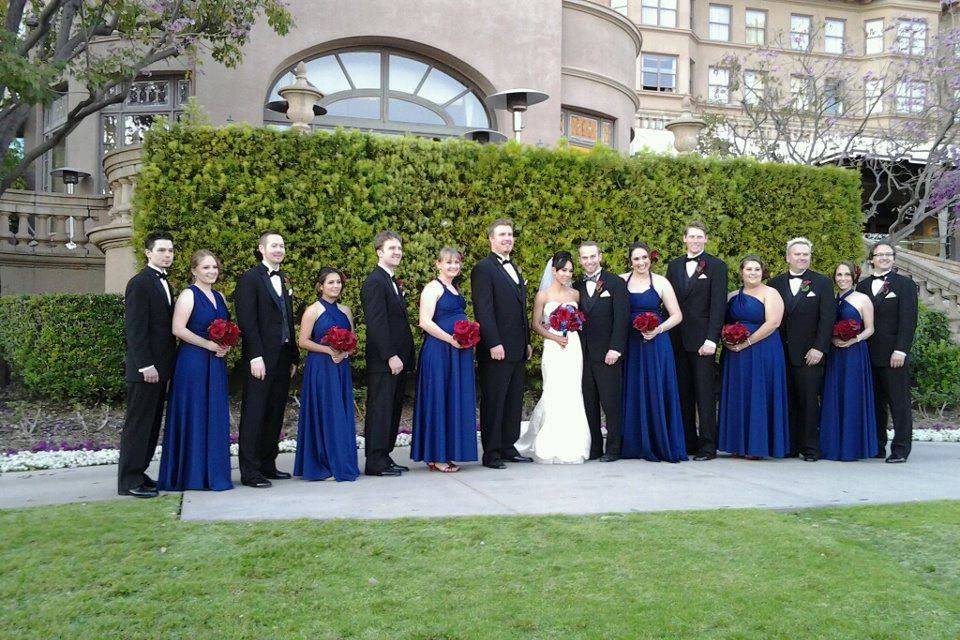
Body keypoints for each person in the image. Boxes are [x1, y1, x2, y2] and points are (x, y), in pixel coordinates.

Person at [157, 250, 233, 492]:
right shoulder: (188, 295)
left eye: (214, 267)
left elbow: (227, 328)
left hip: (215, 362)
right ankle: (191, 474)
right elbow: (178, 329)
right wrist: (208, 344)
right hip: (193, 362)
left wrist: (225, 345)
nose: (211, 272)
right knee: (195, 413)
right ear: (194, 270)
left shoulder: (220, 296)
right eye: (206, 268)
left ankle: (213, 473)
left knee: (214, 413)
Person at [235, 231, 300, 488]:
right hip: (261, 358)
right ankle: (250, 472)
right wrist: (255, 356)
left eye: (282, 246)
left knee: (275, 412)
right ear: (261, 249)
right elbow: (247, 321)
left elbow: (286, 319)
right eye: (274, 245)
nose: (279, 250)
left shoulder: (283, 279)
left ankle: (267, 464)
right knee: (255, 413)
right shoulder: (251, 279)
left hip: (283, 357)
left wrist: (293, 355)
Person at [514, 251, 591, 464]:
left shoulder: (575, 294)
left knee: (573, 390)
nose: (566, 274)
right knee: (554, 389)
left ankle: (573, 443)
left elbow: (582, 319)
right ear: (553, 271)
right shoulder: (543, 295)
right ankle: (549, 442)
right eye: (563, 270)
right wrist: (555, 337)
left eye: (570, 271)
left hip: (573, 346)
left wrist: (574, 325)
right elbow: (536, 324)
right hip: (554, 346)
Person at [470, 218, 534, 469]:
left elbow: (521, 310)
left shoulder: (514, 268)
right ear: (491, 239)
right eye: (502, 235)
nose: (507, 238)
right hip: (496, 349)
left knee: (513, 399)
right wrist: (493, 342)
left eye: (510, 234)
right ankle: (492, 452)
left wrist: (527, 342)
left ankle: (508, 446)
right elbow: (483, 309)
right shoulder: (483, 268)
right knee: (495, 399)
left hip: (517, 347)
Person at [118, 231, 177, 498]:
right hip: (146, 370)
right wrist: (145, 365)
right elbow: (135, 329)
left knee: (152, 425)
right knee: (139, 425)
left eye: (170, 251)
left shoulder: (166, 283)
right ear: (148, 253)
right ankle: (129, 480)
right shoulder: (139, 283)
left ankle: (139, 473)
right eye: (162, 250)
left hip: (161, 368)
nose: (167, 255)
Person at [411, 247, 479, 472]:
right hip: (440, 352)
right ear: (438, 264)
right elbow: (425, 322)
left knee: (452, 399)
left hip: (456, 352)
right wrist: (451, 339)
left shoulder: (454, 288)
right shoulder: (433, 288)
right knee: (439, 398)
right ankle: (437, 456)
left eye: (457, 263)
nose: (453, 266)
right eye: (448, 262)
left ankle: (443, 453)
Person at [665, 221, 728, 460]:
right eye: (691, 236)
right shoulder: (674, 266)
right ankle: (688, 442)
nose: (695, 240)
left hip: (703, 341)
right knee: (683, 394)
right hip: (678, 340)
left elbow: (718, 306)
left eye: (699, 237)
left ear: (705, 239)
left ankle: (707, 446)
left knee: (705, 395)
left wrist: (712, 338)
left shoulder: (717, 266)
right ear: (684, 239)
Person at [767, 238, 834, 461]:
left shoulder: (822, 283)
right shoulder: (775, 283)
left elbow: (827, 319)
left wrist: (819, 348)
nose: (802, 258)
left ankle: (811, 448)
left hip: (809, 354)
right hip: (781, 352)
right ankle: (790, 445)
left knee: (808, 402)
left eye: (805, 254)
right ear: (787, 257)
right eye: (797, 254)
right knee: (786, 400)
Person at [620, 242, 687, 463]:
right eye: (636, 259)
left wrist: (657, 329)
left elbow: (676, 315)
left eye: (644, 258)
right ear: (630, 261)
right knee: (632, 387)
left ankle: (659, 442)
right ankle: (634, 444)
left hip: (656, 344)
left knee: (656, 388)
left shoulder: (660, 282)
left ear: (651, 259)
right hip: (630, 343)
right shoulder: (621, 281)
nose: (641, 262)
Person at [718, 255, 789, 459]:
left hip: (763, 350)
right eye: (748, 269)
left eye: (757, 269)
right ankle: (738, 444)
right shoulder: (732, 296)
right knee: (739, 393)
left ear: (763, 272)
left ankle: (757, 446)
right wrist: (727, 339)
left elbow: (773, 323)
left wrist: (746, 342)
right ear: (741, 272)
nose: (752, 273)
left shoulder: (771, 293)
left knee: (758, 393)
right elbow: (722, 322)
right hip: (736, 354)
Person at [293, 268, 361, 482]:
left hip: (341, 368)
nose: (335, 286)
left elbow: (352, 339)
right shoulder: (313, 310)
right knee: (324, 412)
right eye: (330, 282)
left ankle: (340, 461)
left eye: (338, 282)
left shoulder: (346, 310)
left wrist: (346, 350)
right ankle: (321, 463)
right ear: (321, 286)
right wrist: (329, 350)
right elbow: (302, 341)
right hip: (321, 367)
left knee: (340, 413)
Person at [856, 242, 918, 463]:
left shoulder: (905, 285)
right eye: (879, 254)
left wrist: (901, 350)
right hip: (866, 355)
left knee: (898, 403)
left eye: (888, 254)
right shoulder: (862, 287)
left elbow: (908, 321)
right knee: (874, 403)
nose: (884, 258)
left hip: (893, 355)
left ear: (894, 258)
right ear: (871, 258)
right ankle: (877, 446)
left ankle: (901, 449)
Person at [360, 231, 416, 476]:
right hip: (385, 360)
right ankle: (374, 461)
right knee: (380, 410)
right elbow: (377, 323)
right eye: (391, 248)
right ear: (379, 252)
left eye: (399, 248)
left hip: (398, 359)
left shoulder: (391, 280)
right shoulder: (374, 282)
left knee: (392, 409)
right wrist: (390, 355)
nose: (397, 252)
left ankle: (385, 455)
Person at [573, 241, 630, 461]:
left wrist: (616, 348)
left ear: (600, 256)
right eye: (584, 258)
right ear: (580, 260)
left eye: (592, 256)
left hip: (607, 353)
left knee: (611, 402)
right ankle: (595, 447)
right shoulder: (575, 286)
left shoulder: (615, 283)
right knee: (588, 402)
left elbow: (622, 318)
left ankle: (614, 448)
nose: (588, 261)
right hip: (582, 354)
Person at [820, 262, 878, 461]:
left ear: (854, 277)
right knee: (835, 395)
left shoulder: (862, 299)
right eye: (838, 274)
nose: (842, 278)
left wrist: (854, 339)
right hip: (835, 353)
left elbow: (870, 328)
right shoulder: (833, 300)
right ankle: (833, 446)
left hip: (854, 353)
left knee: (852, 394)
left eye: (846, 274)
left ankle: (852, 447)